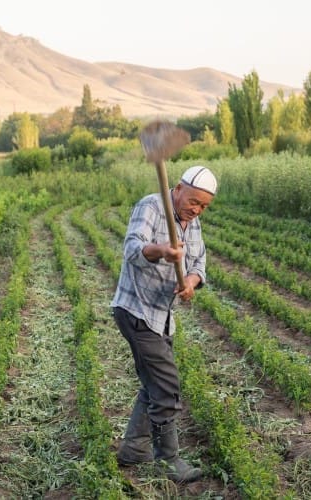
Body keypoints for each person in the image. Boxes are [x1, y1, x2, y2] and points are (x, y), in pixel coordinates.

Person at [110, 165, 217, 483]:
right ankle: (169, 462)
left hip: (161, 315)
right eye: (194, 201)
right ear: (179, 188)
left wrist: (191, 282)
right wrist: (161, 252)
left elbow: (199, 263)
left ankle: (133, 449)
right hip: (137, 310)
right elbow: (131, 248)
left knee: (153, 385)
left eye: (203, 206)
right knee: (167, 387)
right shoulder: (152, 206)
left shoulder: (192, 221)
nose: (196, 209)